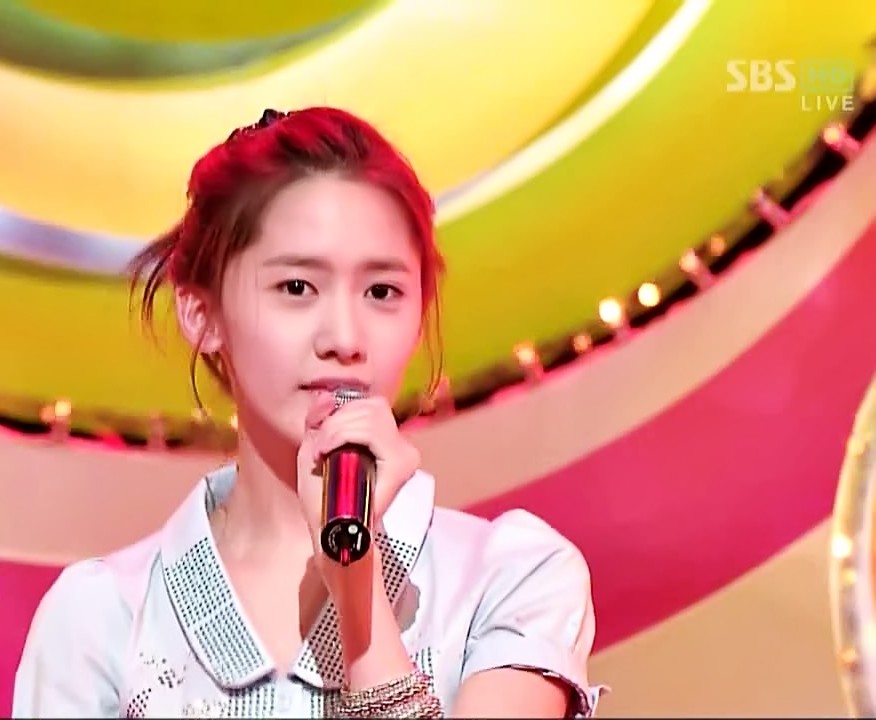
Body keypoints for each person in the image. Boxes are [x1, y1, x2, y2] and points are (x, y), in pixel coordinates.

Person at [12, 108, 603, 718]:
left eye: (382, 292)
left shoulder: (511, 579)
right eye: (297, 287)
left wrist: (357, 581)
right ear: (201, 313)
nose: (344, 338)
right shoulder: (101, 621)